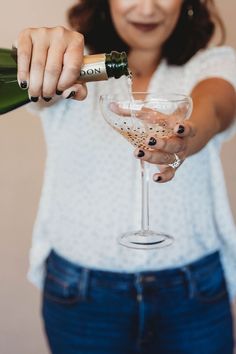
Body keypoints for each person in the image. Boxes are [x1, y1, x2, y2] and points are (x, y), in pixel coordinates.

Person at [15, 1, 236, 353]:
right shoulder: (73, 68)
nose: (147, 8)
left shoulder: (212, 62)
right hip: (81, 292)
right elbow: (38, 90)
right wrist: (40, 55)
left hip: (194, 290)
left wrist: (187, 133)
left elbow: (214, 105)